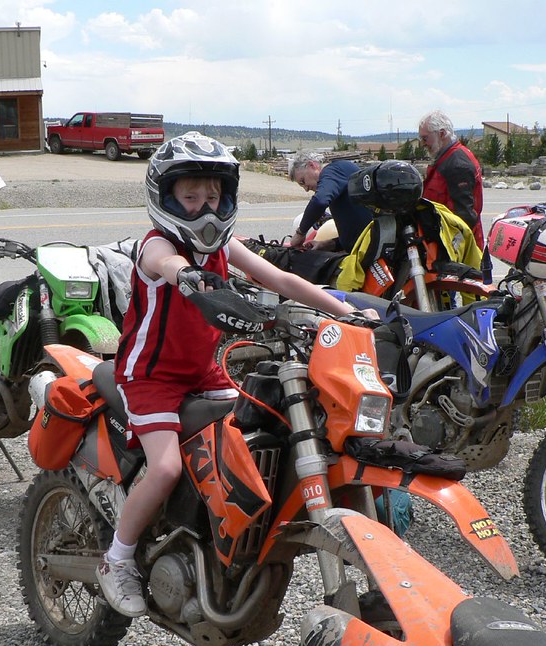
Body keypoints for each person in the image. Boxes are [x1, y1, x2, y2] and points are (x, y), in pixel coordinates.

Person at [96, 132, 373, 617]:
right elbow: (163, 262)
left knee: (250, 437)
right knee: (165, 468)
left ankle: (207, 534)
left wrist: (346, 312)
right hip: (150, 376)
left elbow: (281, 278)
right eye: (190, 198)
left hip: (203, 371)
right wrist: (185, 274)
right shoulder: (158, 245)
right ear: (165, 198)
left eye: (213, 196)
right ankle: (117, 558)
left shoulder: (223, 245)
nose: (204, 208)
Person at [418, 110, 491, 282]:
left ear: (442, 134)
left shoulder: (457, 164)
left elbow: (464, 216)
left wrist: (448, 251)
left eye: (425, 138)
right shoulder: (446, 158)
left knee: (468, 291)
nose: (423, 144)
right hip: (447, 245)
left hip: (457, 250)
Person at [287, 151, 374, 253]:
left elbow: (319, 202)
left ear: (312, 165)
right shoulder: (335, 179)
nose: (306, 189)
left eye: (303, 181)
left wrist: (300, 233)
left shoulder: (332, 171)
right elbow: (355, 233)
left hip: (370, 251)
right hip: (364, 249)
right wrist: (327, 244)